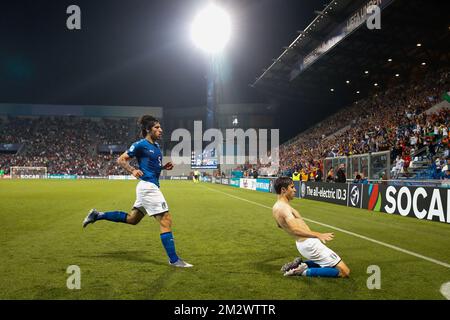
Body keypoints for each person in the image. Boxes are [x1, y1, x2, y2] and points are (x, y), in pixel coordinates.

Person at [82, 115, 193, 268]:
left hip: (148, 186)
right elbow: (121, 159)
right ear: (148, 129)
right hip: (148, 187)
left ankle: (98, 215)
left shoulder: (156, 146)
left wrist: (162, 167)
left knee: (132, 219)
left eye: (160, 127)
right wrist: (132, 170)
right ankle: (174, 260)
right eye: (157, 127)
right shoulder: (141, 144)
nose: (160, 130)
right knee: (166, 220)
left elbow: (150, 166)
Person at [272, 177, 350, 278]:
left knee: (324, 262)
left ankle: (302, 265)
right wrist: (318, 235)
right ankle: (302, 271)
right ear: (283, 190)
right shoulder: (284, 208)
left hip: (303, 243)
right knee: (344, 271)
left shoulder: (276, 206)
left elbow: (279, 225)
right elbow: (295, 229)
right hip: (309, 244)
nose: (295, 190)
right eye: (292, 187)